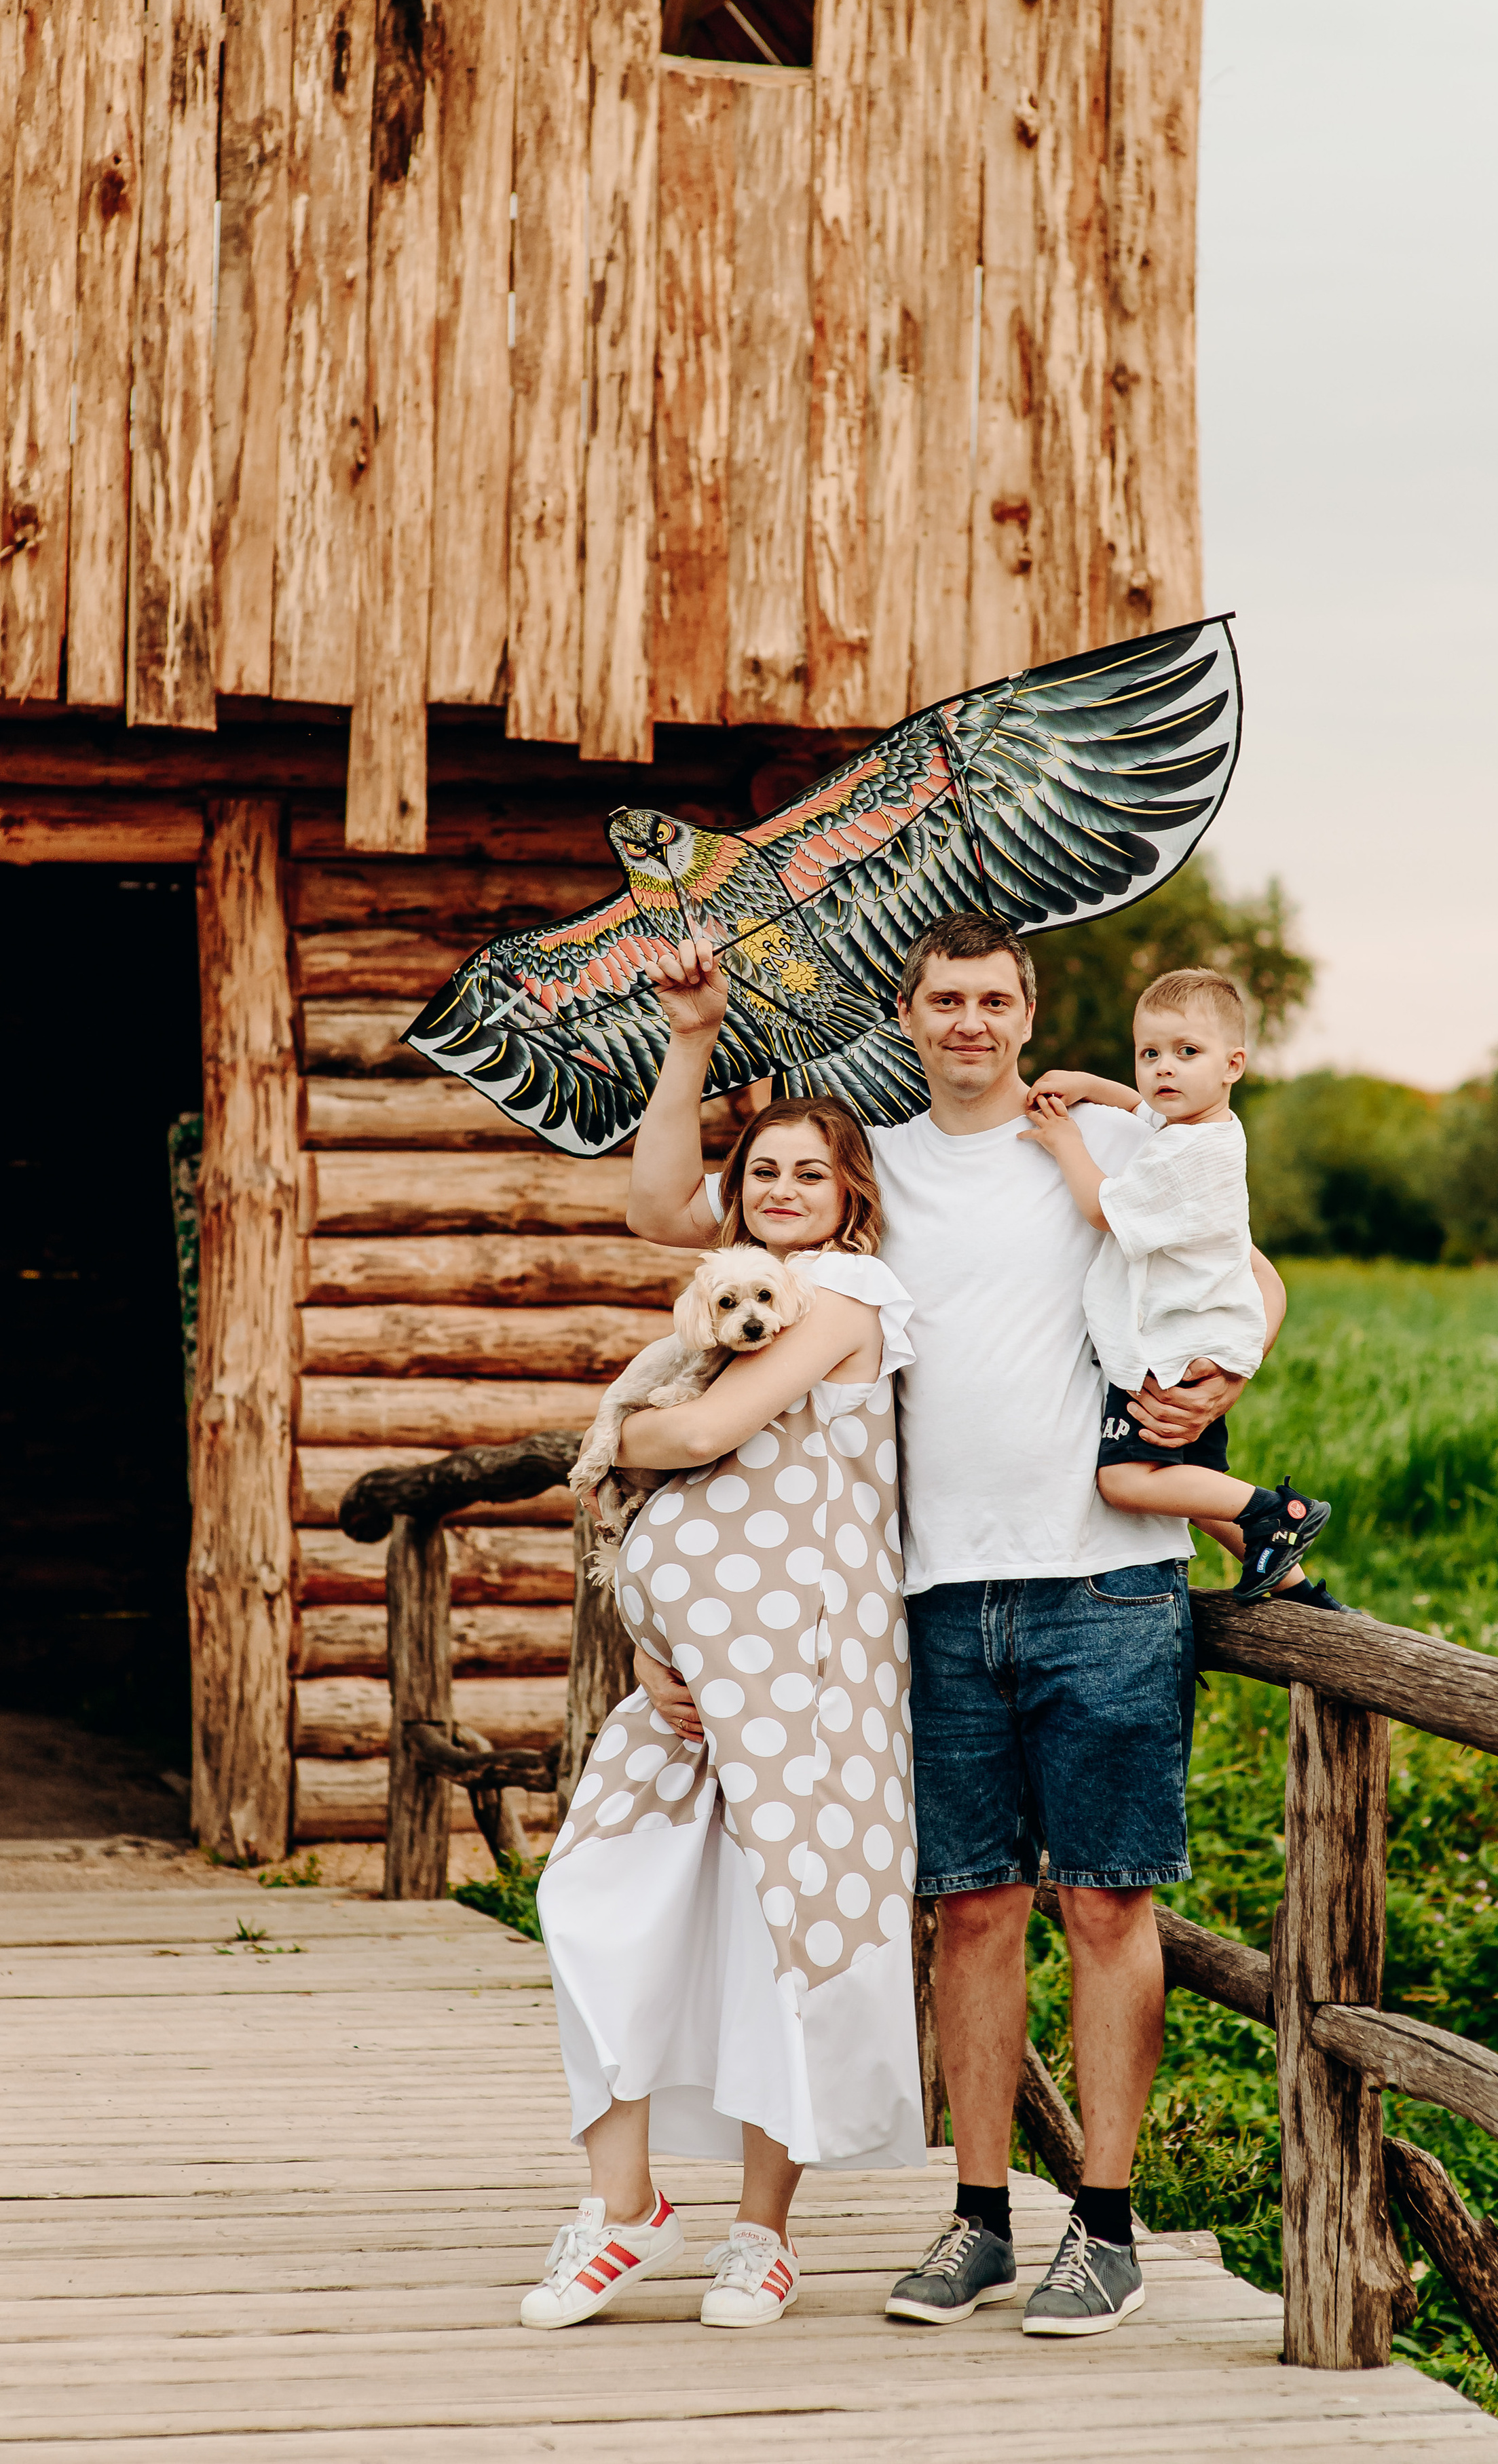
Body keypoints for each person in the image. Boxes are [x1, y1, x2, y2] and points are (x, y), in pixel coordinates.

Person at [626, 909, 1289, 2340]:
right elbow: (677, 1211)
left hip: (1105, 1576)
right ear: (913, 1015)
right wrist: (689, 1043)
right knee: (970, 1910)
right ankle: (979, 2220)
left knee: (1107, 1900)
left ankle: (1102, 2227)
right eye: (944, 1000)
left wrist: (1224, 1377)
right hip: (932, 1590)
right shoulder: (878, 1167)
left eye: (993, 999)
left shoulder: (1108, 1148)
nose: (968, 1021)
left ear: (1027, 1012)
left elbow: (1251, 1266)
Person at [523, 1097, 924, 2337]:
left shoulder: (847, 1295)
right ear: (738, 1191)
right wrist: (656, 1640)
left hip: (809, 1676)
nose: (786, 1188)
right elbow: (654, 1207)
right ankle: (624, 2206)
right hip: (688, 1684)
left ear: (850, 1194)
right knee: (589, 1901)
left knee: (778, 1942)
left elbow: (702, 1431)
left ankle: (764, 2236)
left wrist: (613, 1433)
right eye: (763, 1172)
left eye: (812, 1172)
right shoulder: (732, 1291)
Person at [1022, 965, 1332, 1599]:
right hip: (1197, 1341)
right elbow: (1143, 1108)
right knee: (1195, 1490)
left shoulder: (1188, 1155)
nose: (1165, 1068)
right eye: (1150, 1053)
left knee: (1128, 1480)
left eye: (1187, 1052)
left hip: (1169, 1351)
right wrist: (1092, 1084)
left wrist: (1064, 1139)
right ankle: (1300, 1590)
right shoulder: (1202, 1129)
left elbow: (1101, 1209)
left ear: (1233, 1065)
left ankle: (1279, 1512)